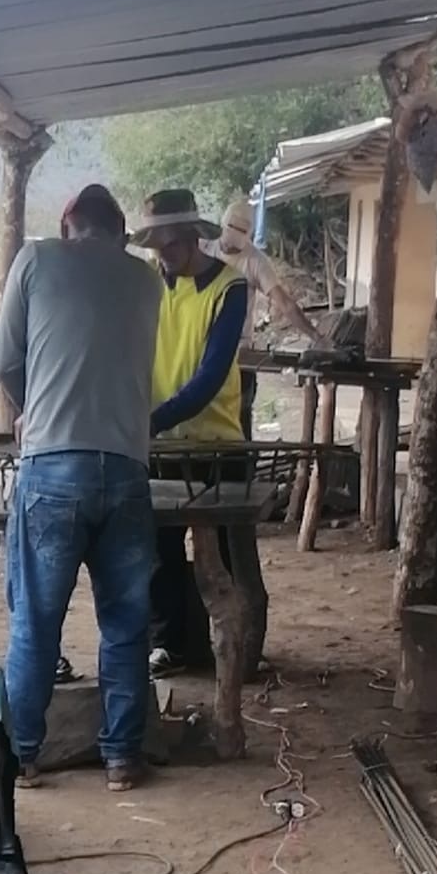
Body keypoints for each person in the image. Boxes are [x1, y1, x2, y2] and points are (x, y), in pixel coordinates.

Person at [0, 185, 161, 792]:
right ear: (121, 232)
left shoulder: (36, 258)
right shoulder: (148, 280)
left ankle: (23, 755)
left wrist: (34, 405)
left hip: (53, 468)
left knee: (36, 621)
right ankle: (122, 758)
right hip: (127, 468)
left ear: (68, 225)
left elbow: (3, 359)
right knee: (126, 622)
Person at [129, 189, 268, 681]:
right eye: (155, 245)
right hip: (160, 445)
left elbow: (210, 376)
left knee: (228, 556)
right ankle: (171, 644)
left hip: (216, 442)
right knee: (159, 553)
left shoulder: (230, 287)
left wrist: (153, 419)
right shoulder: (148, 286)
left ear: (192, 237)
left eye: (169, 243)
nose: (162, 254)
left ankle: (242, 645)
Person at [206, 199, 328, 439]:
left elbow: (285, 304)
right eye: (231, 234)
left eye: (240, 237)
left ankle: (240, 462)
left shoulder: (256, 261)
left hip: (238, 351)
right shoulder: (203, 249)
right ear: (223, 225)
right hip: (199, 348)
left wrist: (316, 336)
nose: (231, 245)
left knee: (239, 423)